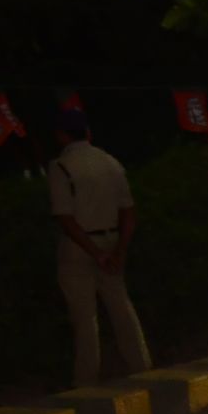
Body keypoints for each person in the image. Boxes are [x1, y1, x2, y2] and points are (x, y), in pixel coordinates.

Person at [48, 107, 153, 387]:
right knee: (121, 307)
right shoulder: (110, 163)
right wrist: (119, 251)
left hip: (79, 246)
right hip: (112, 238)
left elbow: (65, 218)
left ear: (61, 136)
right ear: (88, 132)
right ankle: (142, 366)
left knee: (85, 318)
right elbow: (129, 213)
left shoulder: (61, 167)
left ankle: (86, 379)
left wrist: (96, 253)